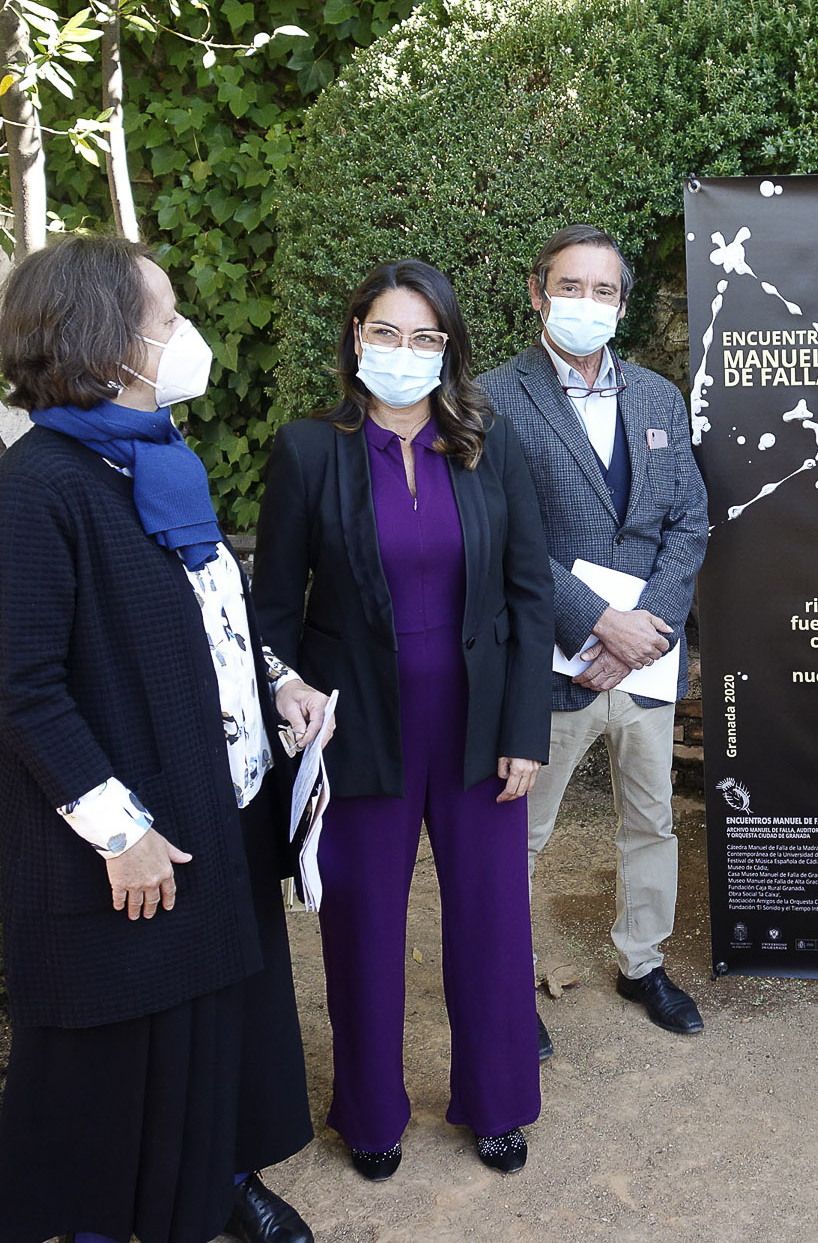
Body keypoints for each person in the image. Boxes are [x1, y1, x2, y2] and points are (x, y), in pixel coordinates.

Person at [0, 235, 327, 1243]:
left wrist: (278, 682)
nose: (187, 335)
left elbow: (207, 605)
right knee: (119, 1043)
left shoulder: (156, 457)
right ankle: (105, 1220)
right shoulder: (40, 486)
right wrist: (119, 831)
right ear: (108, 338)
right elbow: (22, 684)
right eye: (167, 315)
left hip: (212, 796)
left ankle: (216, 1181)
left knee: (220, 1009)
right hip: (129, 825)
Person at [252, 260, 554, 1179]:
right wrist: (286, 690)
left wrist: (526, 731)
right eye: (387, 333)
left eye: (427, 338)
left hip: (478, 725)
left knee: (493, 922)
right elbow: (271, 611)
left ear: (450, 350)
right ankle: (371, 1111)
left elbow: (530, 594)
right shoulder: (309, 451)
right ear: (355, 337)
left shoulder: (488, 443)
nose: (405, 353)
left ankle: (498, 1101)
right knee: (364, 927)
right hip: (357, 731)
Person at [479, 224, 708, 1046]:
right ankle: (506, 982)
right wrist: (593, 622)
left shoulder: (657, 397)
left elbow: (689, 524)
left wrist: (645, 629)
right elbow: (500, 535)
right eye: (570, 287)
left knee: (652, 821)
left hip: (643, 659)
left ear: (623, 302)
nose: (588, 302)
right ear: (538, 293)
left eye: (604, 290)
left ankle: (641, 961)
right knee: (522, 833)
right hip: (548, 662)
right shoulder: (493, 399)